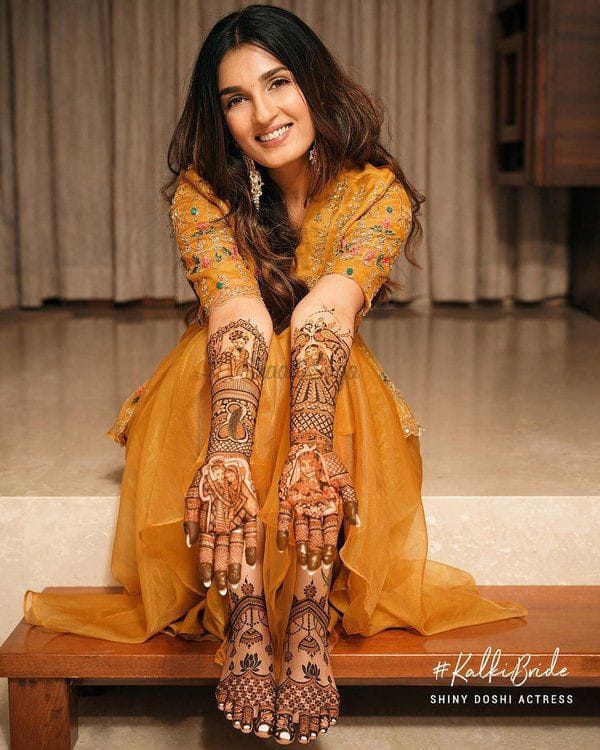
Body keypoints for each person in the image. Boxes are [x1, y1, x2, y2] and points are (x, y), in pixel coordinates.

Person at [22, 4, 528, 745]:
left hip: (331, 380)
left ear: (313, 82)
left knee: (315, 356)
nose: (263, 114)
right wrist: (227, 457)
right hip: (220, 377)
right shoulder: (203, 191)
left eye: (278, 82)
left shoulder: (377, 191)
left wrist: (310, 449)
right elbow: (237, 314)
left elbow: (329, 313)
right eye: (236, 98)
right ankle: (249, 613)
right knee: (249, 356)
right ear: (219, 115)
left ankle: (310, 615)